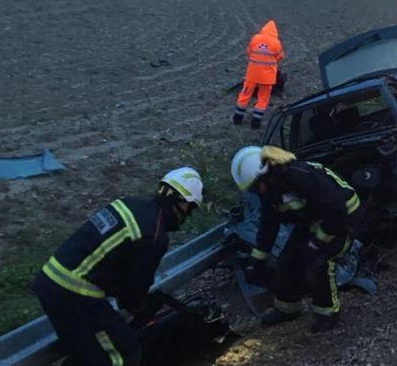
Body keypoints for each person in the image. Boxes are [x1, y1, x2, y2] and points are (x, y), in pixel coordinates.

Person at [31, 168, 204, 366]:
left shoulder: (129, 204)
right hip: (75, 293)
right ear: (181, 202)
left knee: (88, 352)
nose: (186, 217)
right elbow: (131, 297)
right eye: (190, 209)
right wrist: (144, 308)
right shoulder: (154, 236)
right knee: (123, 353)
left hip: (50, 281)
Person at [230, 145, 361, 333]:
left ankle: (327, 313)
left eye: (255, 187)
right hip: (314, 219)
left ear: (265, 174)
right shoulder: (272, 190)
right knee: (287, 260)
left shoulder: (300, 175)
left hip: (343, 218)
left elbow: (336, 210)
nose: (256, 192)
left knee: (320, 264)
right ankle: (288, 308)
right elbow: (269, 225)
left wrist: (316, 243)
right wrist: (256, 260)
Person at [233, 20, 285, 129]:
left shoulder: (256, 38)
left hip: (252, 75)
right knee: (262, 98)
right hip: (267, 78)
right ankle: (256, 122)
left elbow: (249, 51)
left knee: (244, 95)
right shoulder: (276, 43)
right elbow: (280, 57)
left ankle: (237, 118)